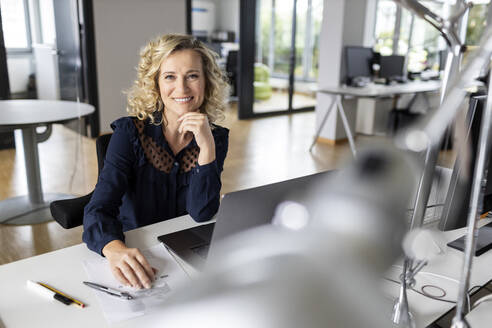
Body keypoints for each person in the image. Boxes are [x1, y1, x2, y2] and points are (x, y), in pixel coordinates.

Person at [83, 34, 229, 289]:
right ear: (156, 84)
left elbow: (202, 212)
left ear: (206, 82)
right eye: (170, 76)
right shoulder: (129, 133)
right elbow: (98, 208)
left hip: (186, 257)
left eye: (192, 76)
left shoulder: (214, 137)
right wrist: (115, 249)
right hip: (139, 252)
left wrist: (206, 145)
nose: (182, 88)